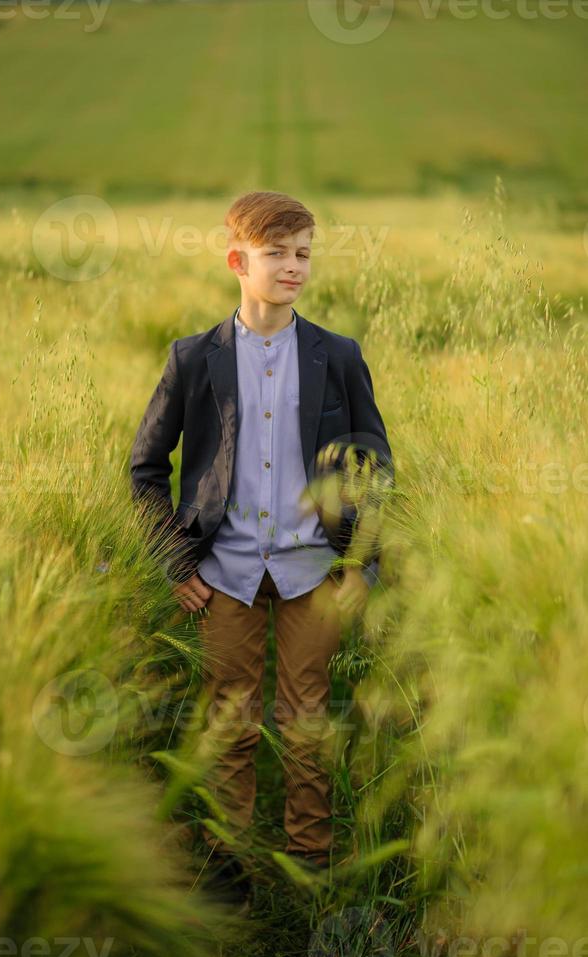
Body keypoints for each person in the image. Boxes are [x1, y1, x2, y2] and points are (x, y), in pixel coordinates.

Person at [130, 190, 393, 911]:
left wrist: (361, 564)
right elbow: (146, 469)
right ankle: (228, 865)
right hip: (223, 573)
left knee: (307, 718)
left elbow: (374, 465)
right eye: (277, 253)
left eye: (303, 253)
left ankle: (310, 863)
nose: (293, 267)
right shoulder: (193, 359)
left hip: (314, 570)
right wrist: (174, 564)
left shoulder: (338, 356)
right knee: (230, 717)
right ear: (237, 260)